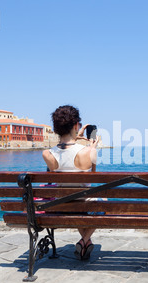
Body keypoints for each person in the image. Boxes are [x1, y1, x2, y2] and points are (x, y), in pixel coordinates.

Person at [42, 105, 101, 260]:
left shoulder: (47, 154)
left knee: (74, 202)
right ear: (76, 125)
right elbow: (93, 178)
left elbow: (64, 154)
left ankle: (85, 243)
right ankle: (84, 240)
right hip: (83, 204)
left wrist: (75, 136)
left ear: (56, 129)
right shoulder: (88, 151)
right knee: (103, 202)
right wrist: (93, 148)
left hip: (62, 204)